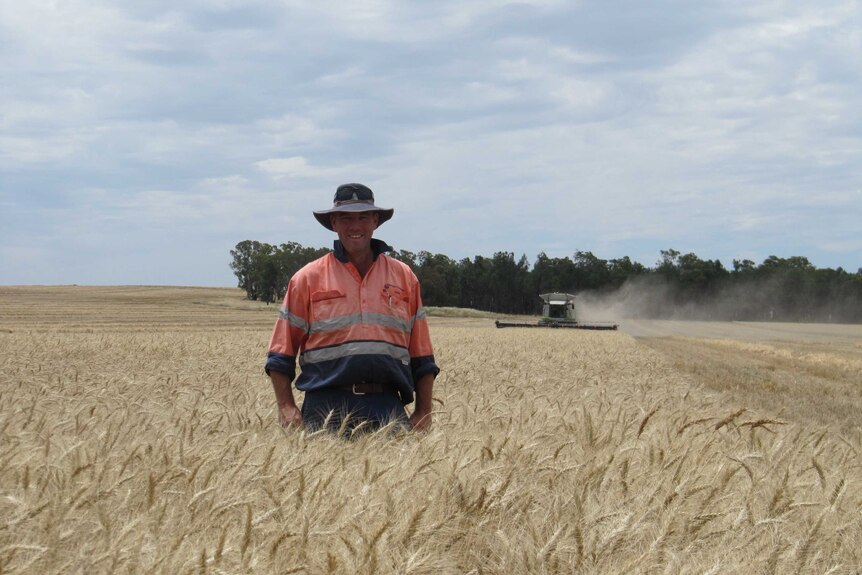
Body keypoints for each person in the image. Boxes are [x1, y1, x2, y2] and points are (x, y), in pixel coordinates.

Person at [264, 183, 440, 434]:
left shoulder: (404, 278)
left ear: (375, 221)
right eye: (346, 218)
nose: (355, 226)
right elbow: (280, 355)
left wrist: (424, 411)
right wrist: (286, 407)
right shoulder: (306, 279)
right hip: (324, 407)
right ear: (334, 223)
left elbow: (422, 357)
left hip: (387, 404)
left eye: (363, 217)